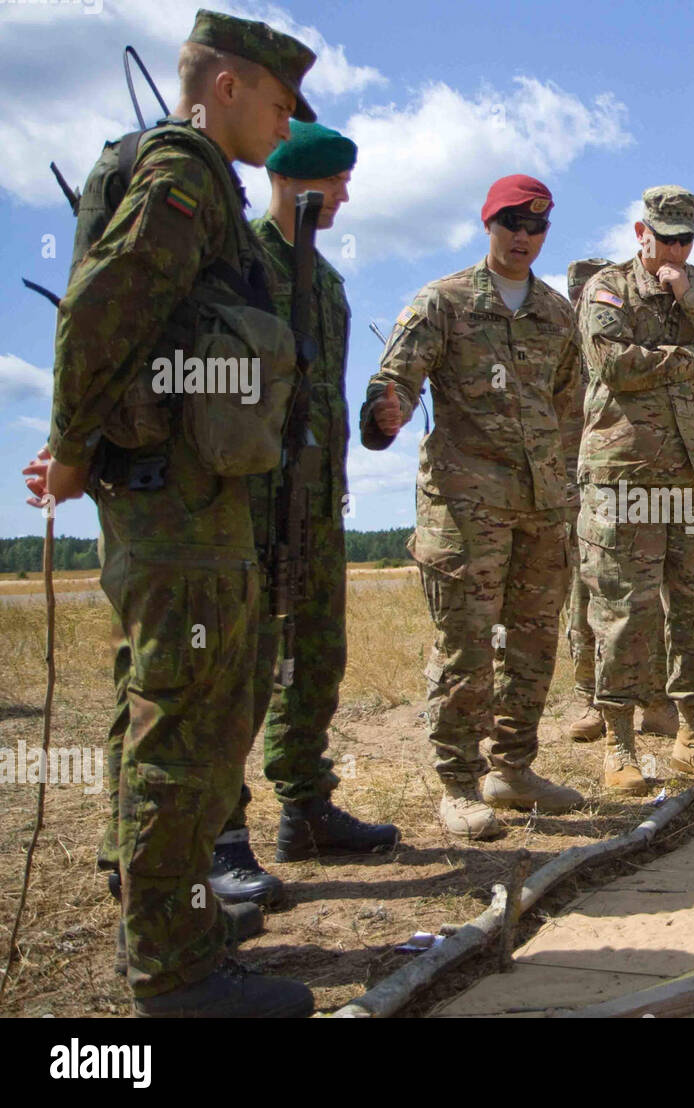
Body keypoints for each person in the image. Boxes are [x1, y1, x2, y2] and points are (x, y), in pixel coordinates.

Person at [23, 9, 318, 1016]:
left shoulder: (180, 170)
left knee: (165, 707)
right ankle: (175, 970)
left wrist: (80, 445)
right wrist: (70, 448)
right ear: (226, 83)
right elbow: (103, 305)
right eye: (280, 104)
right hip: (178, 507)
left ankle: (164, 909)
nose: (288, 129)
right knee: (188, 723)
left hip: (174, 498)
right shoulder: (187, 165)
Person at [205, 119, 399, 907]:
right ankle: (220, 835)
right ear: (296, 180)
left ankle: (307, 810)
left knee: (316, 659)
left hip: (317, 505)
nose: (348, 193)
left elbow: (319, 394)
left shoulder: (327, 283)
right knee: (237, 671)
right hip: (244, 506)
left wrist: (374, 421)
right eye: (337, 179)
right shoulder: (237, 263)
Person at [360, 175, 582, 840]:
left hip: (543, 509)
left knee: (535, 642)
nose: (523, 236)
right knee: (468, 648)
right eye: (511, 221)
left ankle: (512, 770)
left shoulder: (555, 313)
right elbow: (391, 381)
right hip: (466, 511)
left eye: (536, 225)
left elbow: (569, 404)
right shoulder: (444, 303)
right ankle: (457, 784)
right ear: (489, 224)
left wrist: (568, 481)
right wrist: (386, 412)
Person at [576, 185, 694, 794]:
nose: (675, 249)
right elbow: (613, 363)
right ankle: (620, 744)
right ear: (641, 232)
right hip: (627, 472)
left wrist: (693, 302)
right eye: (665, 237)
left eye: (685, 238)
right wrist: (688, 358)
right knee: (625, 608)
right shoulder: (607, 287)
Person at [562, 258, 678, 746]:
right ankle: (592, 697)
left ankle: (654, 697)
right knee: (587, 594)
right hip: (569, 478)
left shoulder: (619, 337)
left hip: (618, 478)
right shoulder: (556, 343)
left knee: (639, 594)